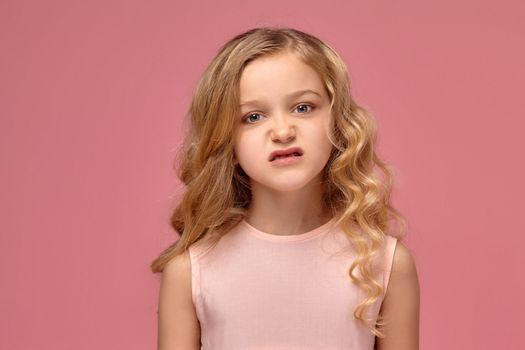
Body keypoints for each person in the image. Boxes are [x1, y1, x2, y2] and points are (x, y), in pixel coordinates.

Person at [151, 27, 420, 350]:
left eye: (303, 108)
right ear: (226, 143)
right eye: (252, 117)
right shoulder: (190, 272)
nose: (282, 131)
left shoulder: (385, 263)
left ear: (339, 121)